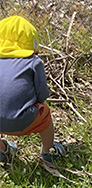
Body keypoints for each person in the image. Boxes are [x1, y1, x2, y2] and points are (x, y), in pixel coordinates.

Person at [0, 15, 66, 164]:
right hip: (22, 120)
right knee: (45, 112)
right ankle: (48, 151)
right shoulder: (33, 62)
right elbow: (42, 94)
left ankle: (2, 150)